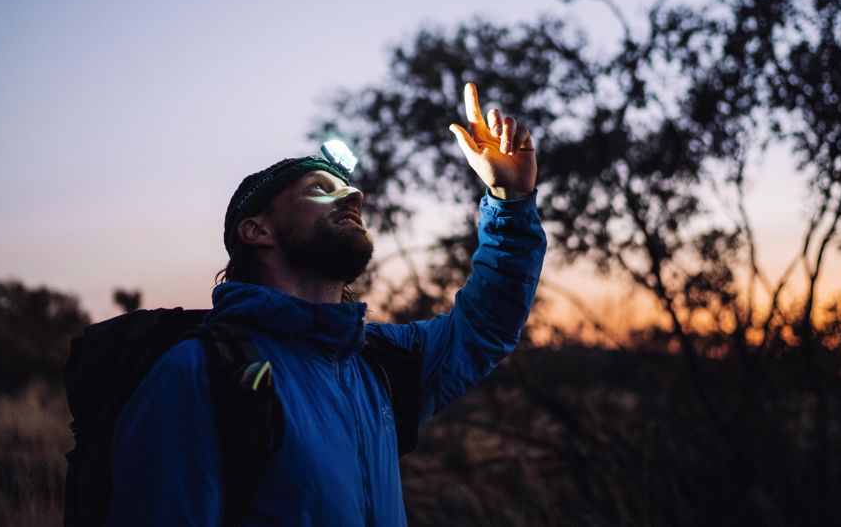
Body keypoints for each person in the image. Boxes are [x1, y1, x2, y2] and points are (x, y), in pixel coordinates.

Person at [105, 82, 547, 525]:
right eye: (319, 188)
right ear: (256, 231)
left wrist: (511, 204)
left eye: (348, 188)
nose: (354, 196)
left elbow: (486, 327)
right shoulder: (202, 375)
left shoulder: (379, 366)